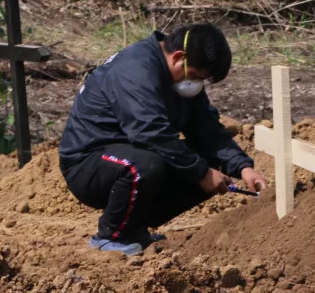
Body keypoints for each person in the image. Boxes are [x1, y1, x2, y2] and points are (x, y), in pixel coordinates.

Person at [59, 23, 267, 255]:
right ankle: (111, 236)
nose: (196, 84)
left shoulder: (179, 78)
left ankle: (135, 229)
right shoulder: (135, 70)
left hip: (129, 154)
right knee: (147, 165)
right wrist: (201, 173)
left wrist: (243, 166)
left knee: (210, 162)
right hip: (89, 164)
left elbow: (207, 130)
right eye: (196, 76)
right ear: (179, 57)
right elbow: (149, 132)